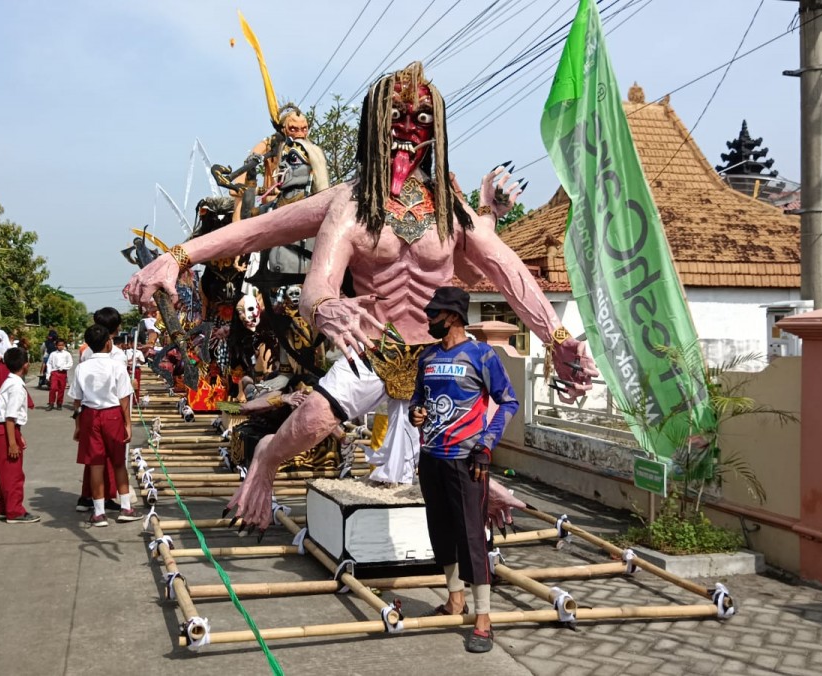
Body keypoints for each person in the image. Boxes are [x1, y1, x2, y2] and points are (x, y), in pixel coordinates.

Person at [125, 61, 597, 531]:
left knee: (471, 423)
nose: (409, 132)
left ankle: (475, 489)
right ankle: (266, 459)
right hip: (371, 345)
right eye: (397, 119)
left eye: (422, 122)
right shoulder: (350, 203)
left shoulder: (451, 210)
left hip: (436, 353)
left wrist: (556, 337)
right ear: (375, 125)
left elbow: (506, 269)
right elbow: (273, 246)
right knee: (313, 424)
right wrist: (180, 257)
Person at [409, 287, 518, 654]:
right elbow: (417, 400)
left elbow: (508, 401)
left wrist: (486, 445)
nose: (429, 320)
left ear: (453, 316)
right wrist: (415, 413)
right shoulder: (426, 358)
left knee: (472, 536)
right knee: (440, 530)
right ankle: (455, 599)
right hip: (431, 457)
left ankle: (484, 620)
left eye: (435, 315)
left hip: (467, 461)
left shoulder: (482, 355)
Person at [68, 325, 136, 527]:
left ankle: (98, 513)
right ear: (109, 343)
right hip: (112, 414)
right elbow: (124, 398)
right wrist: (128, 424)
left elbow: (77, 401)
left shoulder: (82, 367)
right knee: (117, 462)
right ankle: (126, 507)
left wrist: (78, 425)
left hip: (90, 415)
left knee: (95, 464)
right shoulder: (116, 366)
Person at [75, 307, 124, 512]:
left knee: (93, 458)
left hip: (88, 409)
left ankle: (89, 497)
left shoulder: (86, 352)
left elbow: (78, 393)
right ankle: (106, 499)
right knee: (113, 459)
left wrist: (77, 421)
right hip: (111, 410)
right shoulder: (116, 354)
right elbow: (122, 391)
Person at [0, 347, 39, 523]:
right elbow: (10, 416)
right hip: (6, 430)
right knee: (13, 473)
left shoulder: (9, 381)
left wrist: (18, 436)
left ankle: (2, 506)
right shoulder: (17, 386)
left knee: (6, 472)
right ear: (26, 365)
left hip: (6, 429)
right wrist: (12, 442)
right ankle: (14, 510)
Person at [45, 340, 73, 410]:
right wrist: (48, 375)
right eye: (59, 345)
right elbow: (49, 364)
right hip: (54, 372)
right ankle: (51, 403)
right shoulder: (53, 354)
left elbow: (70, 363)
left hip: (63, 372)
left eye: (62, 345)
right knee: (53, 388)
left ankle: (59, 403)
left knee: (61, 389)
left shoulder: (67, 354)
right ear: (56, 345)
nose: (60, 347)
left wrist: (63, 367)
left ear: (64, 345)